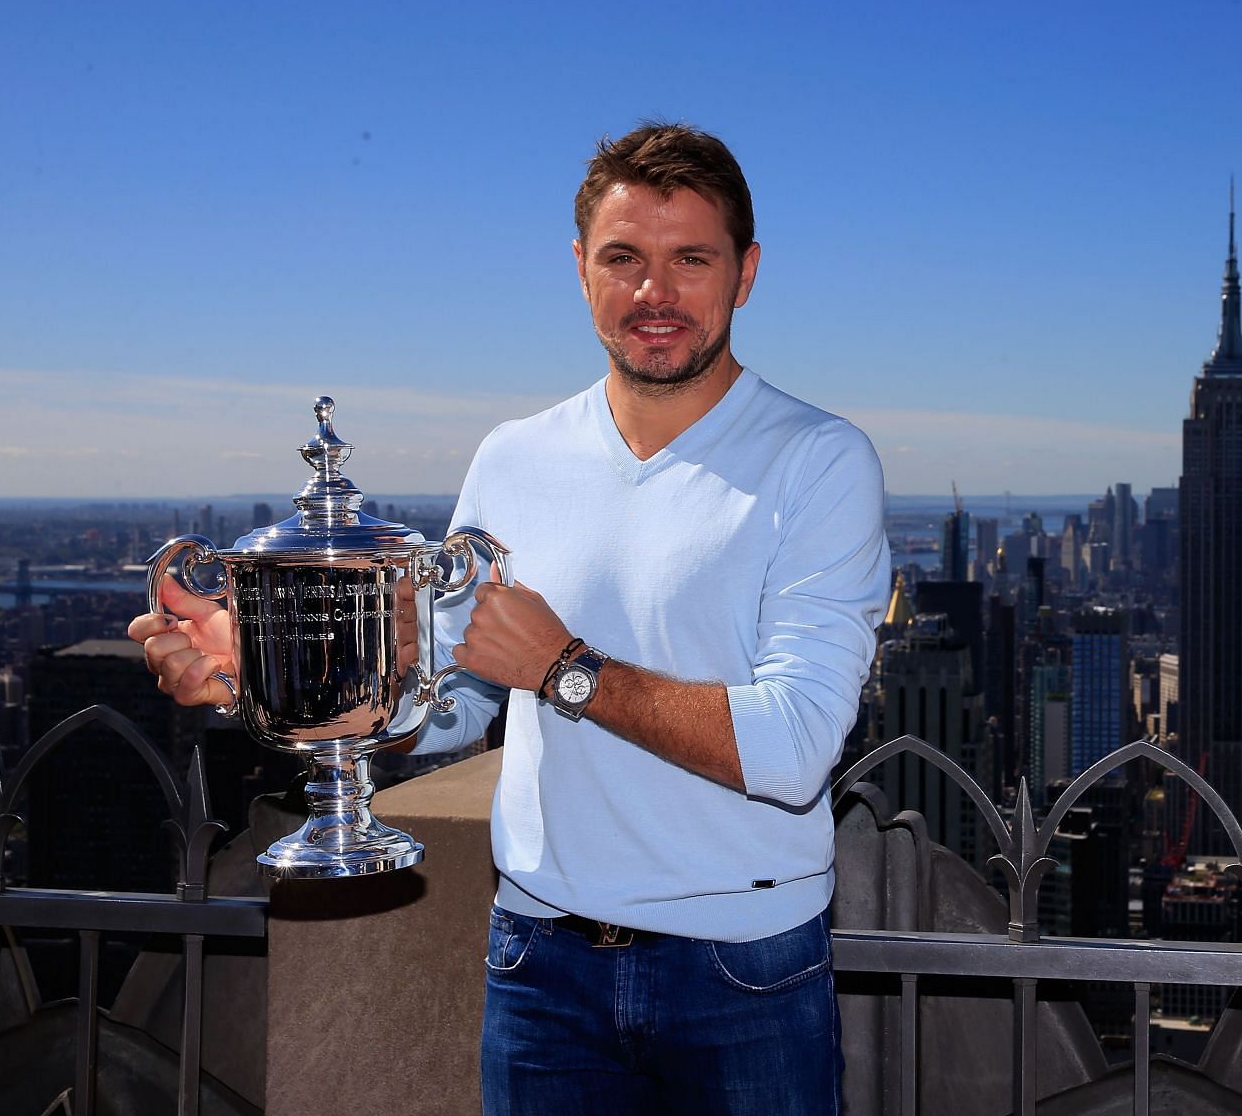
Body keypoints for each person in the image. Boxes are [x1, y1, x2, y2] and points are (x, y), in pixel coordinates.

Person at [130, 123, 891, 1115]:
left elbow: (792, 748)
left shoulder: (818, 460)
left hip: (743, 973)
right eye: (624, 258)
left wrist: (566, 666)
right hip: (539, 961)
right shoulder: (514, 459)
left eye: (690, 259)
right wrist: (268, 673)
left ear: (745, 273)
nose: (654, 294)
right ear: (581, 271)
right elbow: (440, 708)